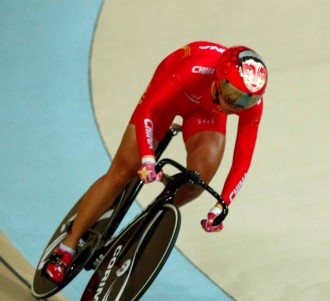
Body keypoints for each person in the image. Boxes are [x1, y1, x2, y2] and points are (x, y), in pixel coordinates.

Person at [44, 41, 268, 283]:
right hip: (170, 96)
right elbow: (149, 110)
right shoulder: (195, 68)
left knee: (197, 182)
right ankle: (66, 247)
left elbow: (243, 159)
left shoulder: (247, 100)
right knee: (123, 172)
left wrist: (222, 205)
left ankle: (140, 229)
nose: (240, 107)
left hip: (207, 112)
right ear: (219, 79)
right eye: (235, 97)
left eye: (248, 101)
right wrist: (148, 158)